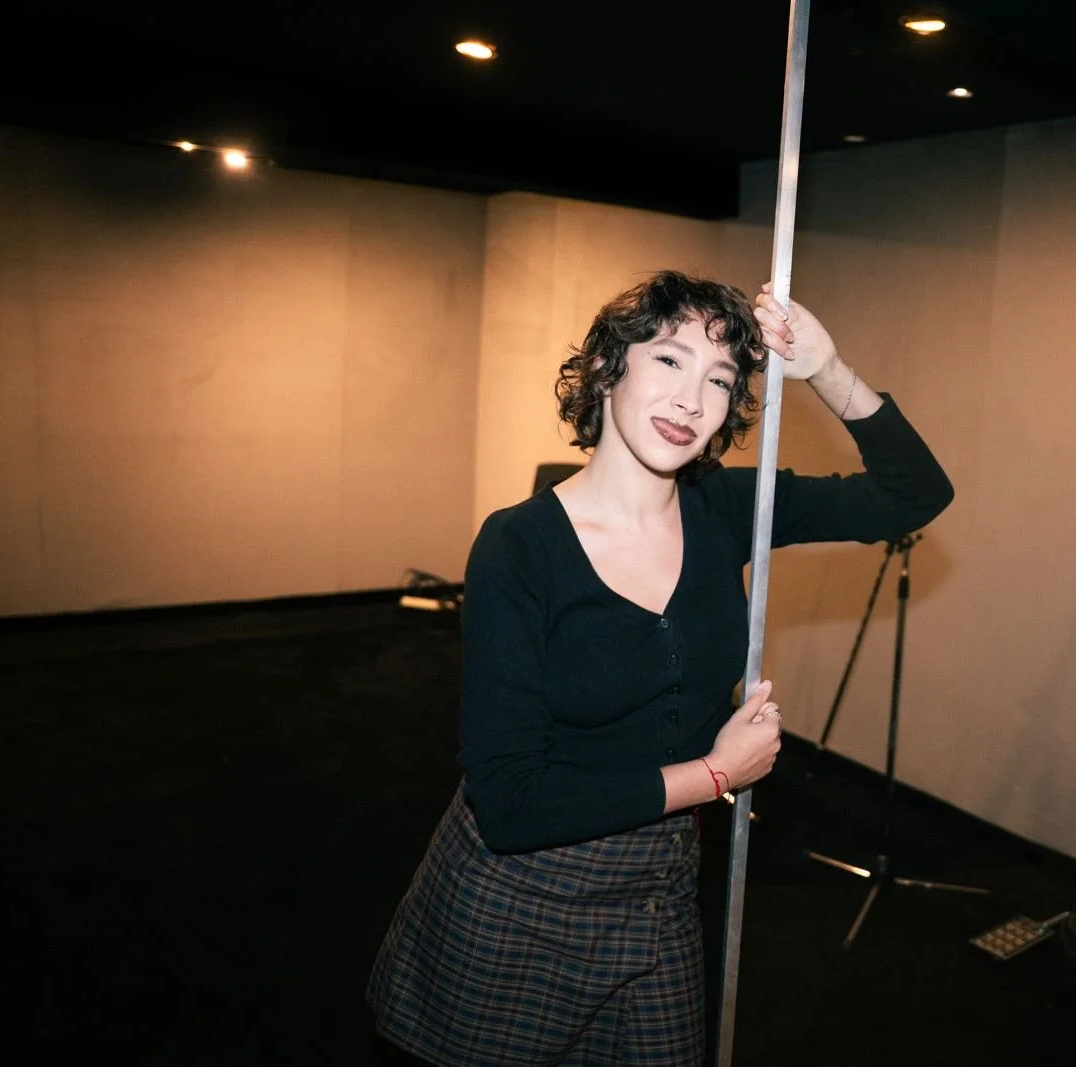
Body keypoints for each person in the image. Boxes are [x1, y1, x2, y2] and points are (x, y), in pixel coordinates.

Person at [366, 270, 953, 1066]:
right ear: (610, 368)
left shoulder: (723, 507)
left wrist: (825, 369)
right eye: (670, 361)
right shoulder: (520, 547)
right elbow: (510, 802)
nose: (692, 400)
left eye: (720, 379)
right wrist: (716, 773)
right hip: (527, 895)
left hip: (659, 891)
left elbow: (913, 494)